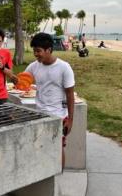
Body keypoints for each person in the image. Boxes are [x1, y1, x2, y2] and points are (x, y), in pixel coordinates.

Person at [24, 33, 75, 169]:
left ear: (49, 50)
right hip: (39, 114)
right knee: (40, 146)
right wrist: (7, 72)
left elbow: (70, 95)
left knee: (58, 148)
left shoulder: (64, 67)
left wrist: (70, 119)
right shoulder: (34, 66)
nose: (36, 54)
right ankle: (45, 174)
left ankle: (59, 176)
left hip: (58, 116)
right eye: (34, 50)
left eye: (38, 51)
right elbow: (22, 80)